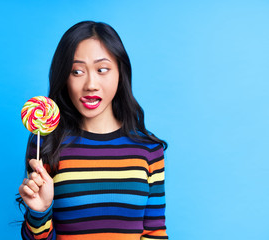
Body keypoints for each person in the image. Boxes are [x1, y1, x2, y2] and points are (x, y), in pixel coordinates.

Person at [17, 21, 168, 240]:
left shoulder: (149, 150)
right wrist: (39, 212)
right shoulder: (47, 144)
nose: (91, 84)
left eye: (102, 69)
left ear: (120, 72)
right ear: (64, 77)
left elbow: (155, 233)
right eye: (76, 71)